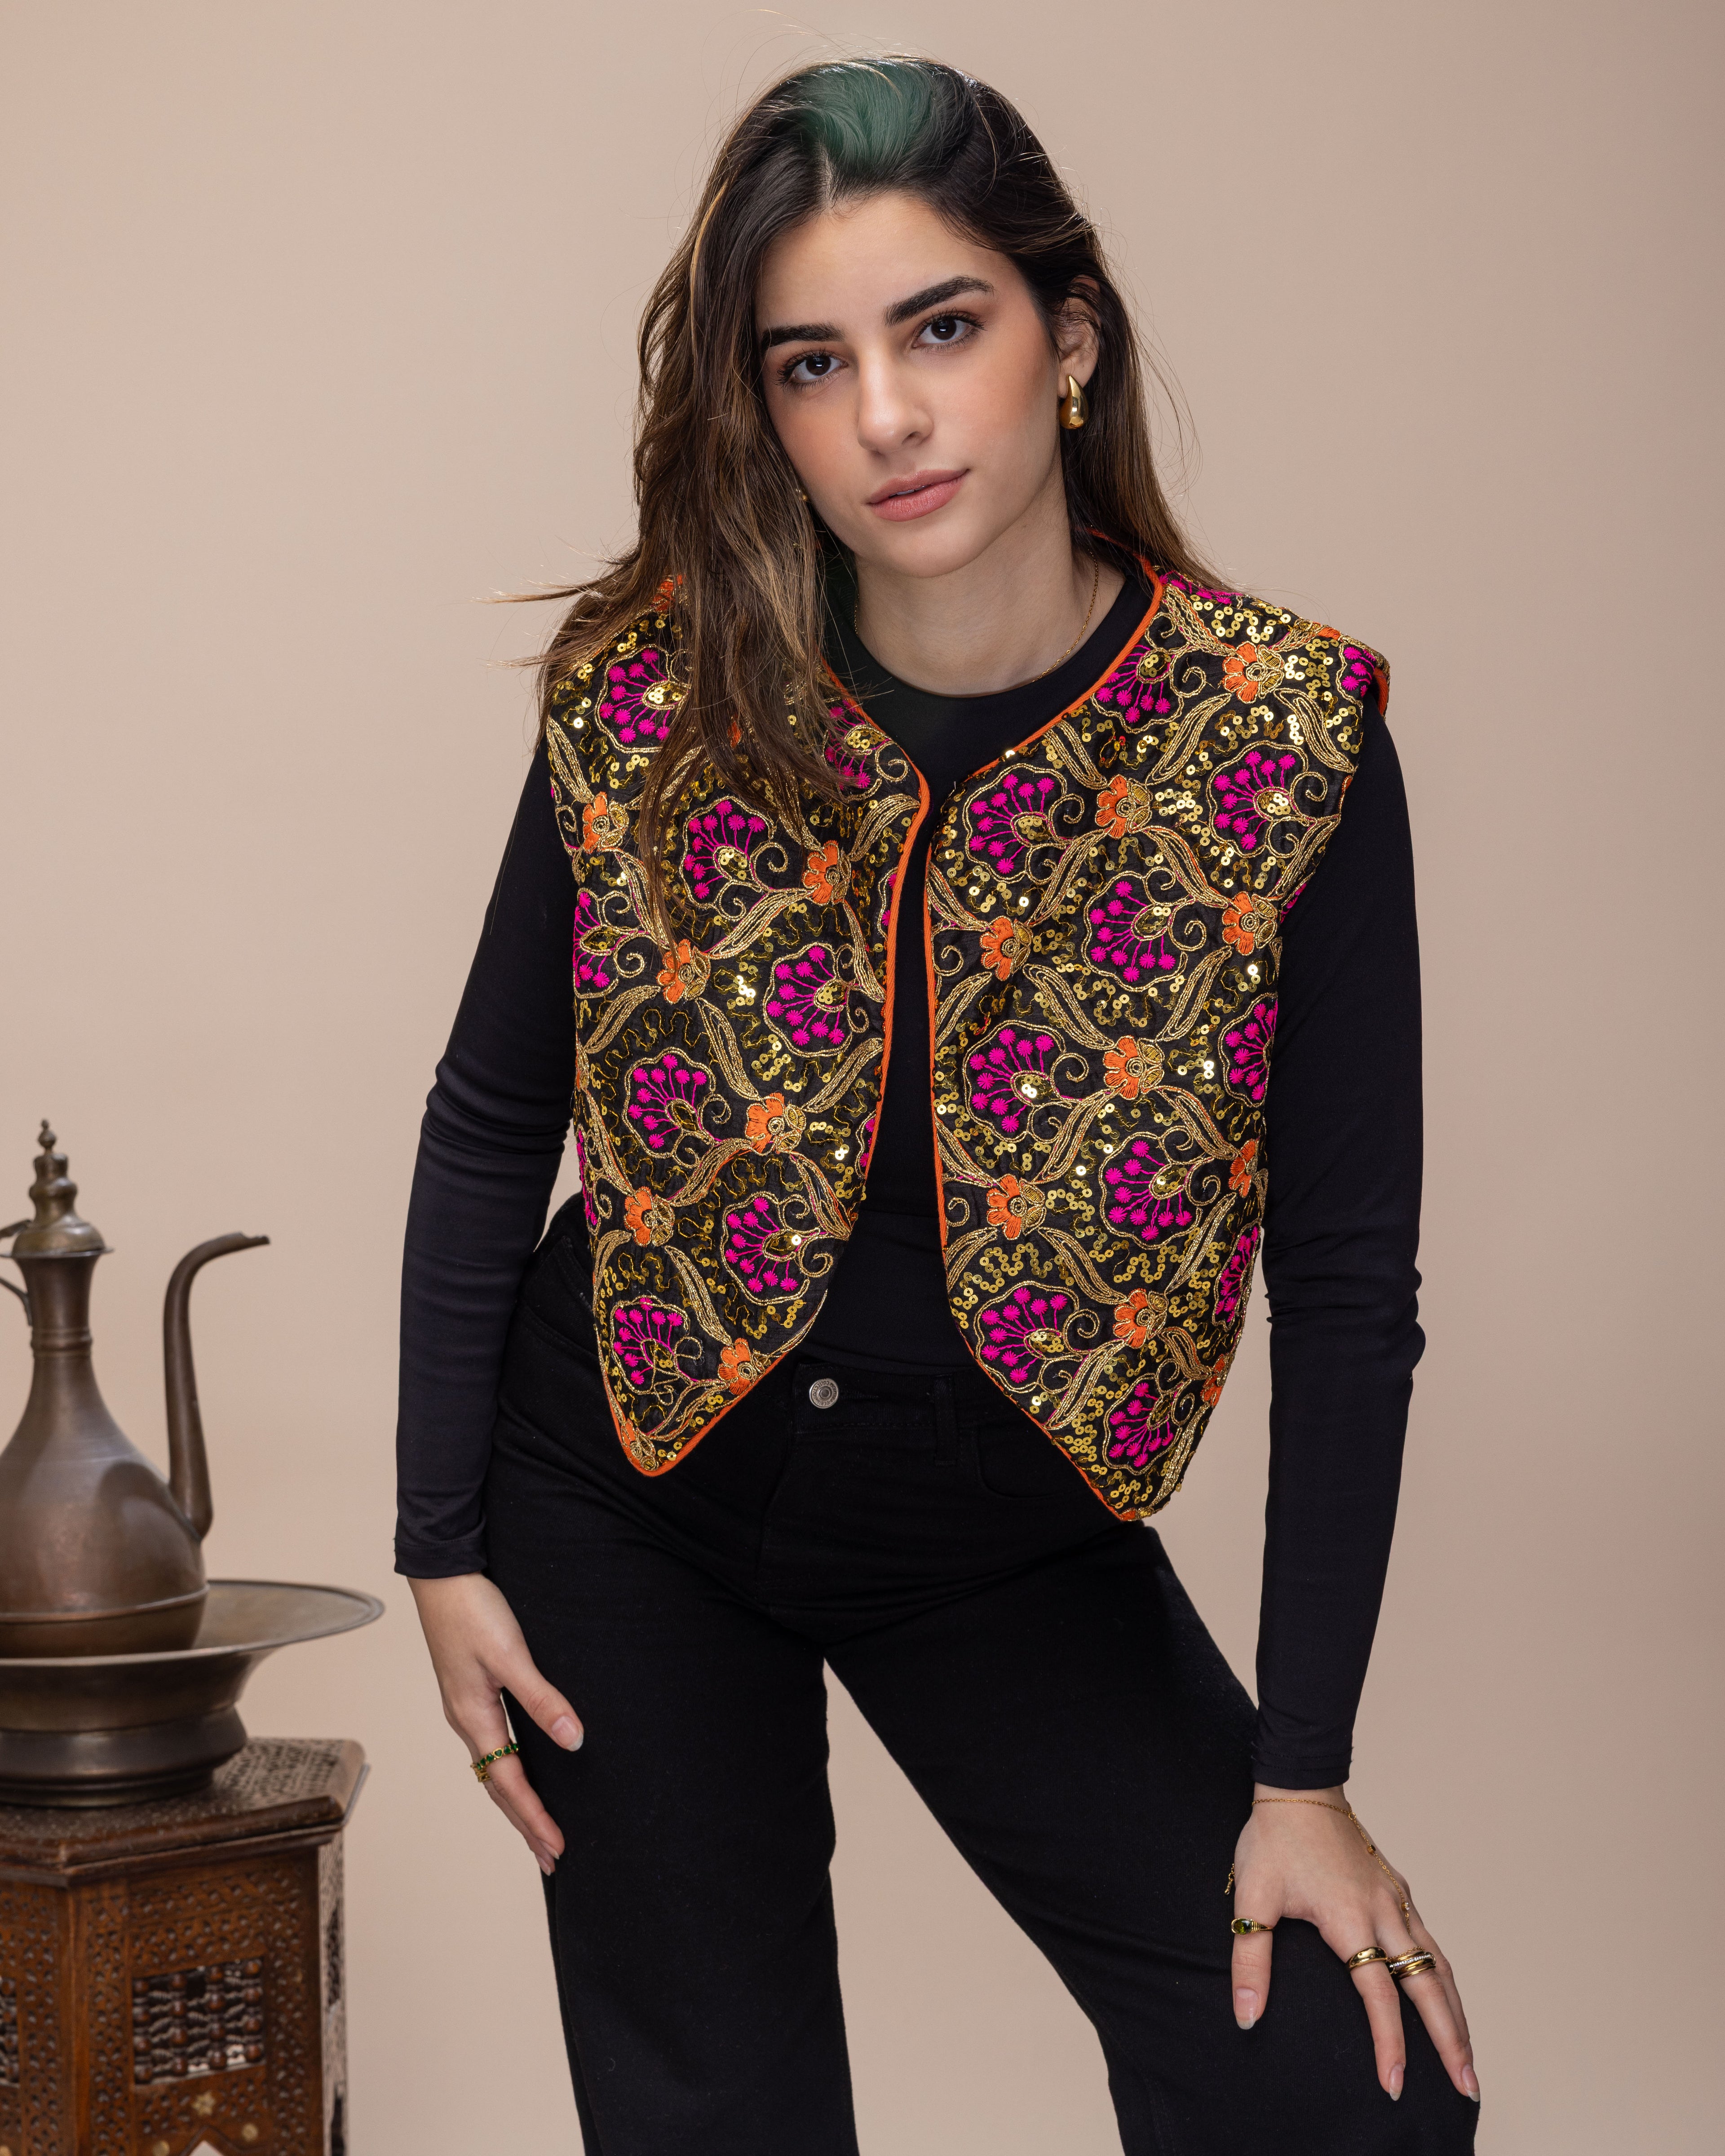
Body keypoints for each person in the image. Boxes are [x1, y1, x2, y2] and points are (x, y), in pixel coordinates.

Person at [396, 55, 1477, 2154]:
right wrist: (440, 1546)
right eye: (813, 363)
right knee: (714, 2119)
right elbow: (486, 1116)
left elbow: (1349, 1291)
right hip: (623, 1481)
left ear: (1070, 340)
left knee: (1346, 2101)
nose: (884, 414)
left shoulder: (1283, 739)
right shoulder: (652, 689)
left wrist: (1303, 1773)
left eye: (943, 327)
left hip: (1000, 1524)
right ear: (765, 411)